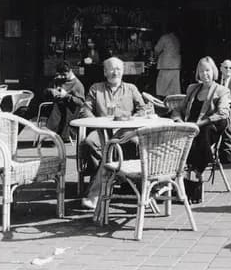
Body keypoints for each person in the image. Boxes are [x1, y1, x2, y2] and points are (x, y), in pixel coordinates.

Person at [80, 57, 145, 209]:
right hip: (103, 130)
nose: (115, 72)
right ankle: (113, 176)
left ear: (123, 71)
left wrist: (133, 119)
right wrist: (96, 123)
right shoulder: (96, 88)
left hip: (125, 131)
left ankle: (97, 191)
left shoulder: (131, 88)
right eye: (111, 68)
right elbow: (85, 109)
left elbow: (143, 108)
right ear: (104, 71)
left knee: (130, 145)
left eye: (118, 69)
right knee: (90, 142)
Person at [170, 57, 231, 194]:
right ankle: (179, 177)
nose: (205, 74)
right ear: (198, 73)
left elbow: (223, 113)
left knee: (203, 132)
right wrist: (178, 120)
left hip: (206, 128)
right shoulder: (193, 88)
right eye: (202, 71)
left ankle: (196, 172)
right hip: (187, 128)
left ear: (214, 71)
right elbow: (179, 109)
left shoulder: (221, 90)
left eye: (208, 70)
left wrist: (199, 123)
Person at [42, 62, 86, 141]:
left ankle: (52, 133)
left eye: (64, 74)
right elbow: (45, 91)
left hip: (67, 110)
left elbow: (81, 103)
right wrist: (51, 91)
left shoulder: (77, 84)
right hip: (52, 107)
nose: (61, 77)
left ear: (70, 71)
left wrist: (66, 95)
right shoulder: (58, 80)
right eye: (59, 74)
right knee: (26, 110)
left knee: (59, 106)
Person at [154, 29, 181, 97]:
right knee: (174, 89)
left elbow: (157, 49)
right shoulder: (177, 38)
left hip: (166, 66)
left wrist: (156, 56)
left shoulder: (165, 37)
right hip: (176, 66)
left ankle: (160, 103)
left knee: (162, 87)